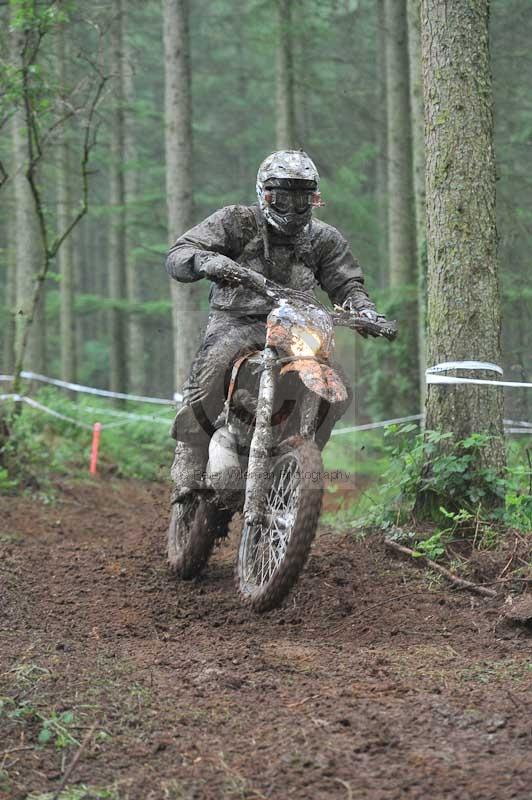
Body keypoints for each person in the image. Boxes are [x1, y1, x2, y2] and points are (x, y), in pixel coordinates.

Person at [166, 150, 379, 500]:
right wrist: (206, 261)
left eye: (301, 198)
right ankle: (189, 453)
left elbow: (347, 283)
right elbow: (181, 251)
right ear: (265, 194)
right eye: (282, 197)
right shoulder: (236, 221)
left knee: (339, 388)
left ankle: (299, 456)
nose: (292, 207)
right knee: (211, 371)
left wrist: (364, 310)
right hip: (238, 320)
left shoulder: (324, 238)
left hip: (298, 328)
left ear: (314, 199)